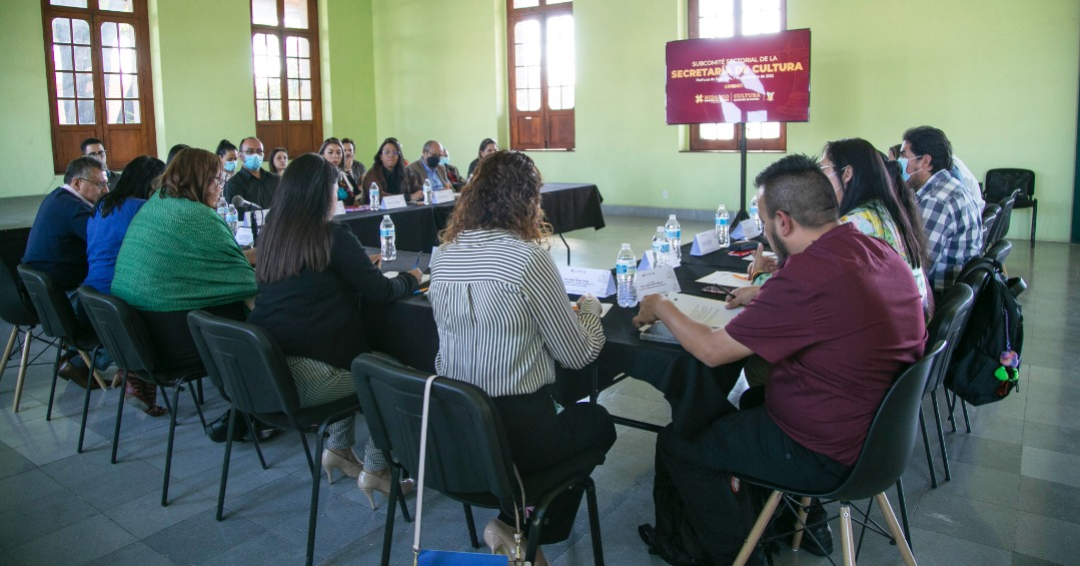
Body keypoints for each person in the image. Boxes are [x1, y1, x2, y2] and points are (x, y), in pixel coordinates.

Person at [632, 154, 926, 566]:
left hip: (826, 451)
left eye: (764, 220)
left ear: (783, 223)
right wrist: (769, 293)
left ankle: (734, 556)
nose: (765, 231)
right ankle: (793, 523)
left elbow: (713, 352)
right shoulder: (874, 249)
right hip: (883, 436)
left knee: (682, 444)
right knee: (750, 401)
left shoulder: (808, 276)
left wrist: (662, 305)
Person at [428, 150, 614, 565]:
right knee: (598, 423)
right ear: (528, 200)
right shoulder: (528, 257)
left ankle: (510, 519)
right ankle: (526, 533)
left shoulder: (443, 254)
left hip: (457, 432)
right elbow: (578, 353)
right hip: (516, 433)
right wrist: (589, 312)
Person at [247, 153, 422, 494]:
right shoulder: (332, 235)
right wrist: (412, 277)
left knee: (353, 356)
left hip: (268, 369)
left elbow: (311, 280)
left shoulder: (272, 234)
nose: (338, 196)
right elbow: (382, 290)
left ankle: (338, 449)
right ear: (320, 193)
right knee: (386, 371)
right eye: (334, 189)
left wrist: (355, 265)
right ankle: (377, 469)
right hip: (307, 376)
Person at [111, 148, 271, 442]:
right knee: (263, 314)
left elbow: (213, 266)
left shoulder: (158, 203)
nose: (221, 188)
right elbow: (241, 278)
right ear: (200, 180)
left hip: (137, 334)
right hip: (170, 341)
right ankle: (258, 410)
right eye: (217, 181)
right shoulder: (197, 216)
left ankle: (247, 411)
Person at [82, 155, 167, 415]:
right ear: (152, 183)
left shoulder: (103, 205)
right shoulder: (142, 208)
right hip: (120, 300)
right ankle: (139, 371)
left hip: (92, 297)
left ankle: (129, 367)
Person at [22, 155, 111, 387]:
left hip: (42, 294)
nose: (106, 189)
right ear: (77, 183)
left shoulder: (57, 198)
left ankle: (75, 356)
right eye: (99, 184)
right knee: (122, 307)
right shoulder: (74, 208)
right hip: (60, 298)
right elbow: (105, 241)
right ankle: (80, 362)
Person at [899, 126, 983, 294]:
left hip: (938, 296)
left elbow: (917, 268)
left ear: (925, 161)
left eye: (904, 157)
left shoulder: (936, 201)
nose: (900, 165)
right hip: (954, 293)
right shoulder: (951, 187)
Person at [224, 136, 279, 219]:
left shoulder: (275, 179)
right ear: (241, 156)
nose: (255, 155)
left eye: (259, 151)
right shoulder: (234, 183)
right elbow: (235, 215)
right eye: (250, 151)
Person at [361, 138, 422, 204]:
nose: (391, 155)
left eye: (395, 152)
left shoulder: (406, 172)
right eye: (386, 152)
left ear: (399, 156)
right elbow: (379, 196)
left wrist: (425, 191)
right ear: (381, 157)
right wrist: (409, 197)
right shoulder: (372, 174)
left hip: (402, 210)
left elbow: (414, 187)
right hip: (377, 211)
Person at [320, 137, 360, 206]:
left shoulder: (345, 176)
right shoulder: (318, 177)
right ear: (322, 154)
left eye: (339, 152)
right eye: (330, 152)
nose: (335, 156)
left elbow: (356, 202)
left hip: (350, 216)